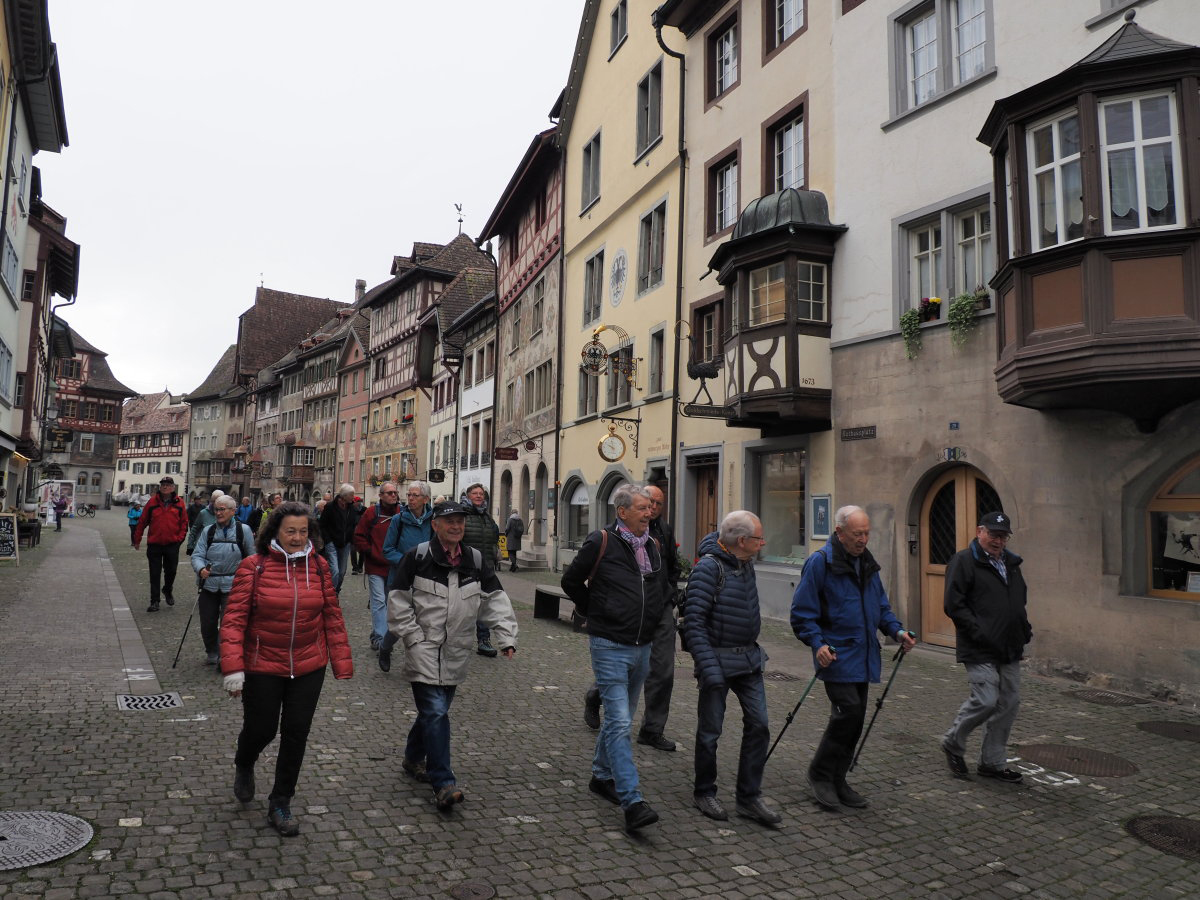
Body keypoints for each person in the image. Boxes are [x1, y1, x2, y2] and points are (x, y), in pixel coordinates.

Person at [220, 501, 353, 836]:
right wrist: (233, 668)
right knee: (262, 729)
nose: (297, 538)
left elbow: (332, 617)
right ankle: (245, 761)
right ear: (275, 532)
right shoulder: (255, 566)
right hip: (263, 663)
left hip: (309, 664)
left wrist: (341, 661)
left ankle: (281, 800)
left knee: (296, 733)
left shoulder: (320, 567)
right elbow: (234, 620)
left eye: (303, 531)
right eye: (290, 531)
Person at [384, 501, 517, 810]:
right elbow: (398, 602)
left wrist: (506, 636)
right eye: (450, 521)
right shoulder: (416, 558)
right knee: (436, 712)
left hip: (457, 650)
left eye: (460, 521)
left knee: (434, 712)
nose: (456, 526)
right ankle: (443, 782)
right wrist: (414, 639)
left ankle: (413, 757)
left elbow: (495, 599)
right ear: (435, 525)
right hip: (424, 648)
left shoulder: (474, 559)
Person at [791, 505, 916, 811]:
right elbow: (802, 613)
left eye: (867, 533)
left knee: (856, 718)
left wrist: (897, 632)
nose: (863, 539)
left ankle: (838, 778)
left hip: (864, 655)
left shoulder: (867, 564)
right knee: (847, 712)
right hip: (835, 655)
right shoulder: (820, 563)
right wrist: (817, 644)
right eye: (857, 534)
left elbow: (880, 607)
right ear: (840, 533)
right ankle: (820, 774)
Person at [561, 483, 666, 832]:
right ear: (622, 512)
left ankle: (601, 775)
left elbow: (659, 585)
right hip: (609, 644)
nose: (649, 512)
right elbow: (571, 581)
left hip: (644, 644)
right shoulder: (600, 541)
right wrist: (596, 610)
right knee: (621, 723)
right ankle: (632, 801)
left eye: (650, 508)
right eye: (642, 508)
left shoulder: (653, 544)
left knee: (620, 719)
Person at [684, 511, 781, 826]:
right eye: (758, 538)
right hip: (717, 662)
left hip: (749, 661)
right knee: (711, 732)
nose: (762, 543)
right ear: (742, 541)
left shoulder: (745, 563)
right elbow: (693, 624)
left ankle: (749, 797)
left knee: (760, 725)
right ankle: (704, 791)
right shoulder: (708, 570)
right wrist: (709, 668)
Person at [583, 483, 682, 751]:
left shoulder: (663, 530)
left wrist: (669, 594)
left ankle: (652, 729)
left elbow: (674, 566)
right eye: (648, 504)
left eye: (657, 505)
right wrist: (595, 608)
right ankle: (596, 696)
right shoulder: (616, 532)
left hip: (659, 610)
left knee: (663, 672)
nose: (652, 510)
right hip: (625, 617)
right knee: (622, 671)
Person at [941, 511, 1032, 784]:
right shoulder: (964, 561)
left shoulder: (1011, 563)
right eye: (993, 534)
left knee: (1009, 703)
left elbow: (1018, 600)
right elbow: (953, 604)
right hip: (979, 644)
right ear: (980, 531)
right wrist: (979, 631)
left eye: (1003, 536)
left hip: (1009, 644)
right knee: (986, 700)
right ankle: (952, 742)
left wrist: (1024, 629)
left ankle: (992, 763)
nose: (998, 540)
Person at [191, 495, 256, 666]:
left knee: (229, 623)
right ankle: (211, 650)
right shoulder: (209, 531)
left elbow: (252, 557)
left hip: (234, 585)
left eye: (222, 509)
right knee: (208, 622)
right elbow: (197, 555)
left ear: (233, 511)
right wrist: (200, 569)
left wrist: (248, 577)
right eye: (216, 509)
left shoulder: (244, 530)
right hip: (209, 584)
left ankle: (224, 656)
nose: (218, 513)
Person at [352, 481, 400, 653]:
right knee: (379, 602)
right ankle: (381, 639)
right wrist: (370, 552)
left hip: (394, 567)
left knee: (389, 604)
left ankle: (377, 635)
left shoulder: (402, 513)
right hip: (375, 567)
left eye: (395, 492)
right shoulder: (372, 513)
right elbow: (359, 536)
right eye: (389, 493)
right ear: (380, 496)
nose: (393, 495)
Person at [133, 476, 191, 612]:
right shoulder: (152, 502)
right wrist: (137, 539)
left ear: (173, 487)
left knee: (171, 571)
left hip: (172, 544)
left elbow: (184, 523)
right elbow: (142, 521)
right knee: (154, 573)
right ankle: (155, 601)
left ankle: (167, 589)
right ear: (160, 487)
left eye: (168, 484)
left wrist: (179, 539)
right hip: (155, 545)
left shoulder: (179, 503)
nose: (165, 486)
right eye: (163, 484)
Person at [461, 483, 501, 657]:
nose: (479, 496)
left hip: (486, 567)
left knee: (484, 605)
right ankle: (457, 639)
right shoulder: (462, 516)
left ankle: (484, 640)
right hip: (466, 567)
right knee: (463, 606)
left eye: (481, 494)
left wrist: (493, 557)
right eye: (475, 493)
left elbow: (493, 539)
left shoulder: (487, 517)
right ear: (468, 496)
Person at [318, 484, 357, 592]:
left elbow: (353, 525)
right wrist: (327, 540)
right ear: (344, 496)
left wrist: (351, 538)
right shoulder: (330, 507)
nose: (353, 497)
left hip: (345, 544)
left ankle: (336, 590)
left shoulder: (352, 508)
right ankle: (331, 593)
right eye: (351, 495)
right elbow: (322, 525)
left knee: (342, 572)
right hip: (331, 543)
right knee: (334, 570)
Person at [383, 482, 433, 566]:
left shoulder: (433, 520)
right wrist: (406, 562)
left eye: (415, 495)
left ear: (426, 499)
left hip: (425, 573)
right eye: (409, 495)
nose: (410, 498)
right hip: (402, 573)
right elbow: (388, 549)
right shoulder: (398, 519)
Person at [186, 490, 224, 554]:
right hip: (203, 549)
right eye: (215, 501)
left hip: (220, 550)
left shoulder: (226, 514)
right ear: (212, 501)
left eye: (221, 501)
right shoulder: (204, 513)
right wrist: (190, 546)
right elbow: (194, 530)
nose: (218, 504)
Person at [350, 495, 366, 574]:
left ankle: (360, 567)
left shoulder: (364, 510)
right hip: (352, 533)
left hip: (362, 533)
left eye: (355, 502)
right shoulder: (351, 510)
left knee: (362, 551)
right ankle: (354, 568)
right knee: (353, 551)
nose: (354, 504)